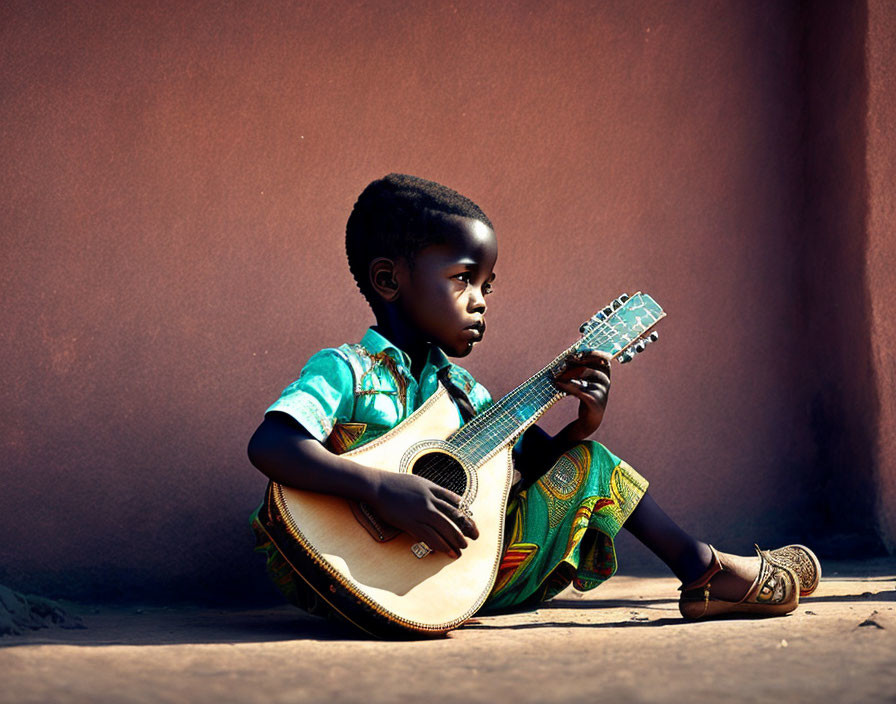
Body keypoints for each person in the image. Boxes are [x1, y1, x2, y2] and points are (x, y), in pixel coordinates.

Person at [247, 173, 819, 626]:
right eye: (463, 279)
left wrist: (579, 426)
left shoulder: (465, 394)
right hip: (335, 572)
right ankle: (708, 570)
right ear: (388, 280)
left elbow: (536, 472)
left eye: (487, 286)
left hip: (455, 579)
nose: (480, 302)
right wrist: (381, 487)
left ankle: (703, 573)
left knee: (593, 465)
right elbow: (271, 443)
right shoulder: (346, 369)